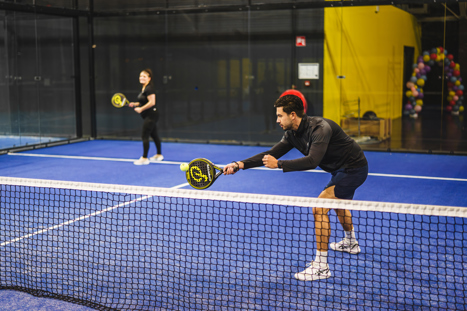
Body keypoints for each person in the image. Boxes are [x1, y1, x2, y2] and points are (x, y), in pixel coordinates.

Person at [223, 95, 368, 282]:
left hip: (353, 169)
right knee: (338, 204)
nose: (277, 120)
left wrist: (280, 164)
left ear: (292, 115)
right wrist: (240, 164)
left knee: (319, 208)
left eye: (279, 116)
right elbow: (270, 154)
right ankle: (351, 243)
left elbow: (312, 161)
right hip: (340, 170)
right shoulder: (292, 134)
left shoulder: (320, 128)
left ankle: (321, 267)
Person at [129, 69, 164, 165]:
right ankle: (159, 155)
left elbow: (152, 102)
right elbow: (143, 101)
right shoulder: (144, 88)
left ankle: (144, 158)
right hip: (149, 115)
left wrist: (141, 109)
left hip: (151, 115)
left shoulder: (149, 89)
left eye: (144, 76)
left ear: (149, 78)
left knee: (145, 135)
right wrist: (135, 104)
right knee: (154, 134)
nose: (142, 78)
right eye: (140, 76)